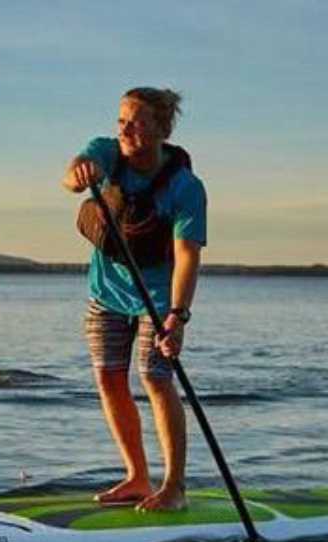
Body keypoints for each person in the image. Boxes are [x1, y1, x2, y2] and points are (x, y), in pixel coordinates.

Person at [61, 87, 208, 512]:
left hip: (158, 298)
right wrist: (80, 174)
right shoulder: (106, 153)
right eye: (122, 120)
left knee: (155, 376)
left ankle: (174, 487)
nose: (126, 130)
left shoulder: (185, 187)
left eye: (138, 123)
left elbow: (187, 256)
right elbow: (70, 177)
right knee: (109, 377)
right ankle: (137, 477)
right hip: (106, 292)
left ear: (162, 130)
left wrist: (177, 318)